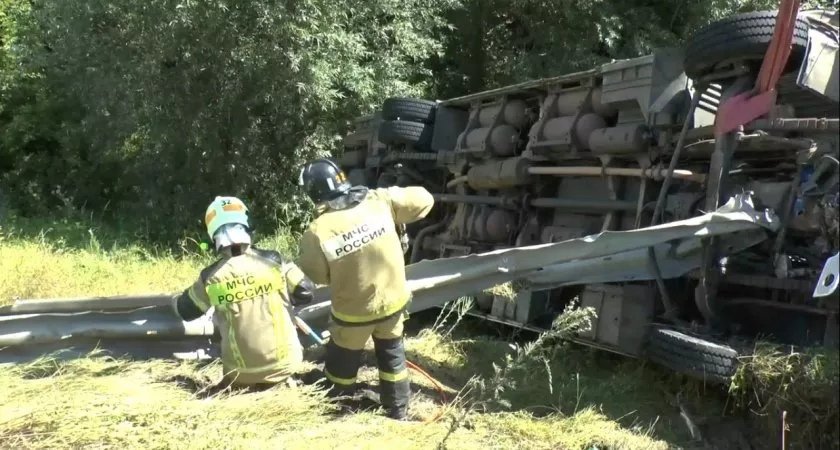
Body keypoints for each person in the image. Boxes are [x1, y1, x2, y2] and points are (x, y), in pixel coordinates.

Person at [296, 158, 434, 420]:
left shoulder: (318, 231)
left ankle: (340, 406)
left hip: (353, 315)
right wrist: (390, 195)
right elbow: (424, 200)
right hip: (393, 305)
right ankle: (397, 411)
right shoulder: (379, 201)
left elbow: (318, 275)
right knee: (393, 358)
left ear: (313, 192)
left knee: (342, 361)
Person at [172, 196, 315, 388]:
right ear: (247, 225)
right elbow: (306, 291)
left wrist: (173, 300)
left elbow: (186, 311)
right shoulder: (274, 261)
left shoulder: (210, 277)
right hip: (286, 365)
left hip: (240, 373)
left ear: (213, 233)